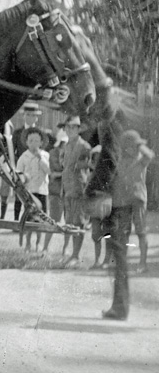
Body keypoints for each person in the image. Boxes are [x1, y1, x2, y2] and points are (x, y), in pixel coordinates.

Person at [101, 130, 154, 320]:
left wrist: (138, 144)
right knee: (119, 250)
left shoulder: (141, 159)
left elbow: (149, 154)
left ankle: (142, 261)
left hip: (136, 202)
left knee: (140, 234)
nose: (135, 149)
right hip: (122, 207)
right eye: (131, 145)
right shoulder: (119, 161)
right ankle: (119, 307)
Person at [58, 115, 95, 264]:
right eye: (68, 127)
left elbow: (89, 165)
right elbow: (64, 166)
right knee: (68, 221)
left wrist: (77, 166)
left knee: (78, 222)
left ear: (79, 129)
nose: (70, 130)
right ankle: (69, 251)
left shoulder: (85, 146)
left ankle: (76, 254)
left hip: (79, 188)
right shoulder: (66, 145)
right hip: (67, 188)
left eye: (73, 127)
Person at [10, 101, 50, 221]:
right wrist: (17, 168)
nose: (31, 118)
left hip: (38, 171)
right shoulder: (17, 133)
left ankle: (38, 222)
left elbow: (45, 152)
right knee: (19, 195)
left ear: (37, 118)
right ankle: (17, 221)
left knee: (38, 198)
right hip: (22, 168)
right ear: (24, 116)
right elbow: (12, 152)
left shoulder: (41, 133)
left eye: (33, 115)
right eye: (28, 115)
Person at [16, 128, 50, 251]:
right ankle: (28, 243)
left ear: (41, 142)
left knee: (41, 218)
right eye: (31, 141)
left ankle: (38, 242)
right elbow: (18, 173)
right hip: (30, 193)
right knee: (30, 218)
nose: (34, 144)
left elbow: (48, 170)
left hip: (42, 191)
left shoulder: (45, 155)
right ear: (26, 142)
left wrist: (40, 157)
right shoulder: (24, 157)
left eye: (36, 141)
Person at [43, 126, 67, 254]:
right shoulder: (52, 153)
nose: (65, 145)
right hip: (56, 191)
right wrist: (64, 173)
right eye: (63, 142)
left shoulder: (73, 151)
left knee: (70, 221)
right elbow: (52, 173)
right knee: (53, 220)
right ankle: (45, 247)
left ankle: (66, 249)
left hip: (68, 190)